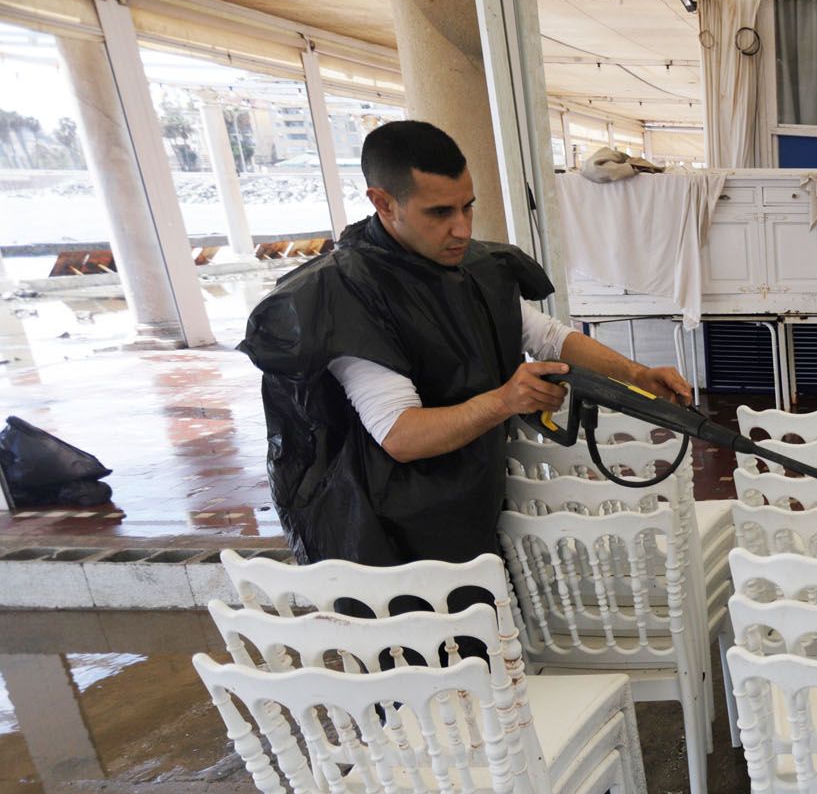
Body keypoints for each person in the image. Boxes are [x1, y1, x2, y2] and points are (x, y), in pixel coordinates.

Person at [240, 121, 690, 566]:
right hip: (382, 526)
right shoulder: (346, 292)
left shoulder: (472, 267)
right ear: (383, 203)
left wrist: (636, 375)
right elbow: (400, 435)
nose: (461, 229)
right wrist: (505, 400)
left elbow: (547, 336)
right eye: (440, 213)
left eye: (467, 208)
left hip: (470, 494)